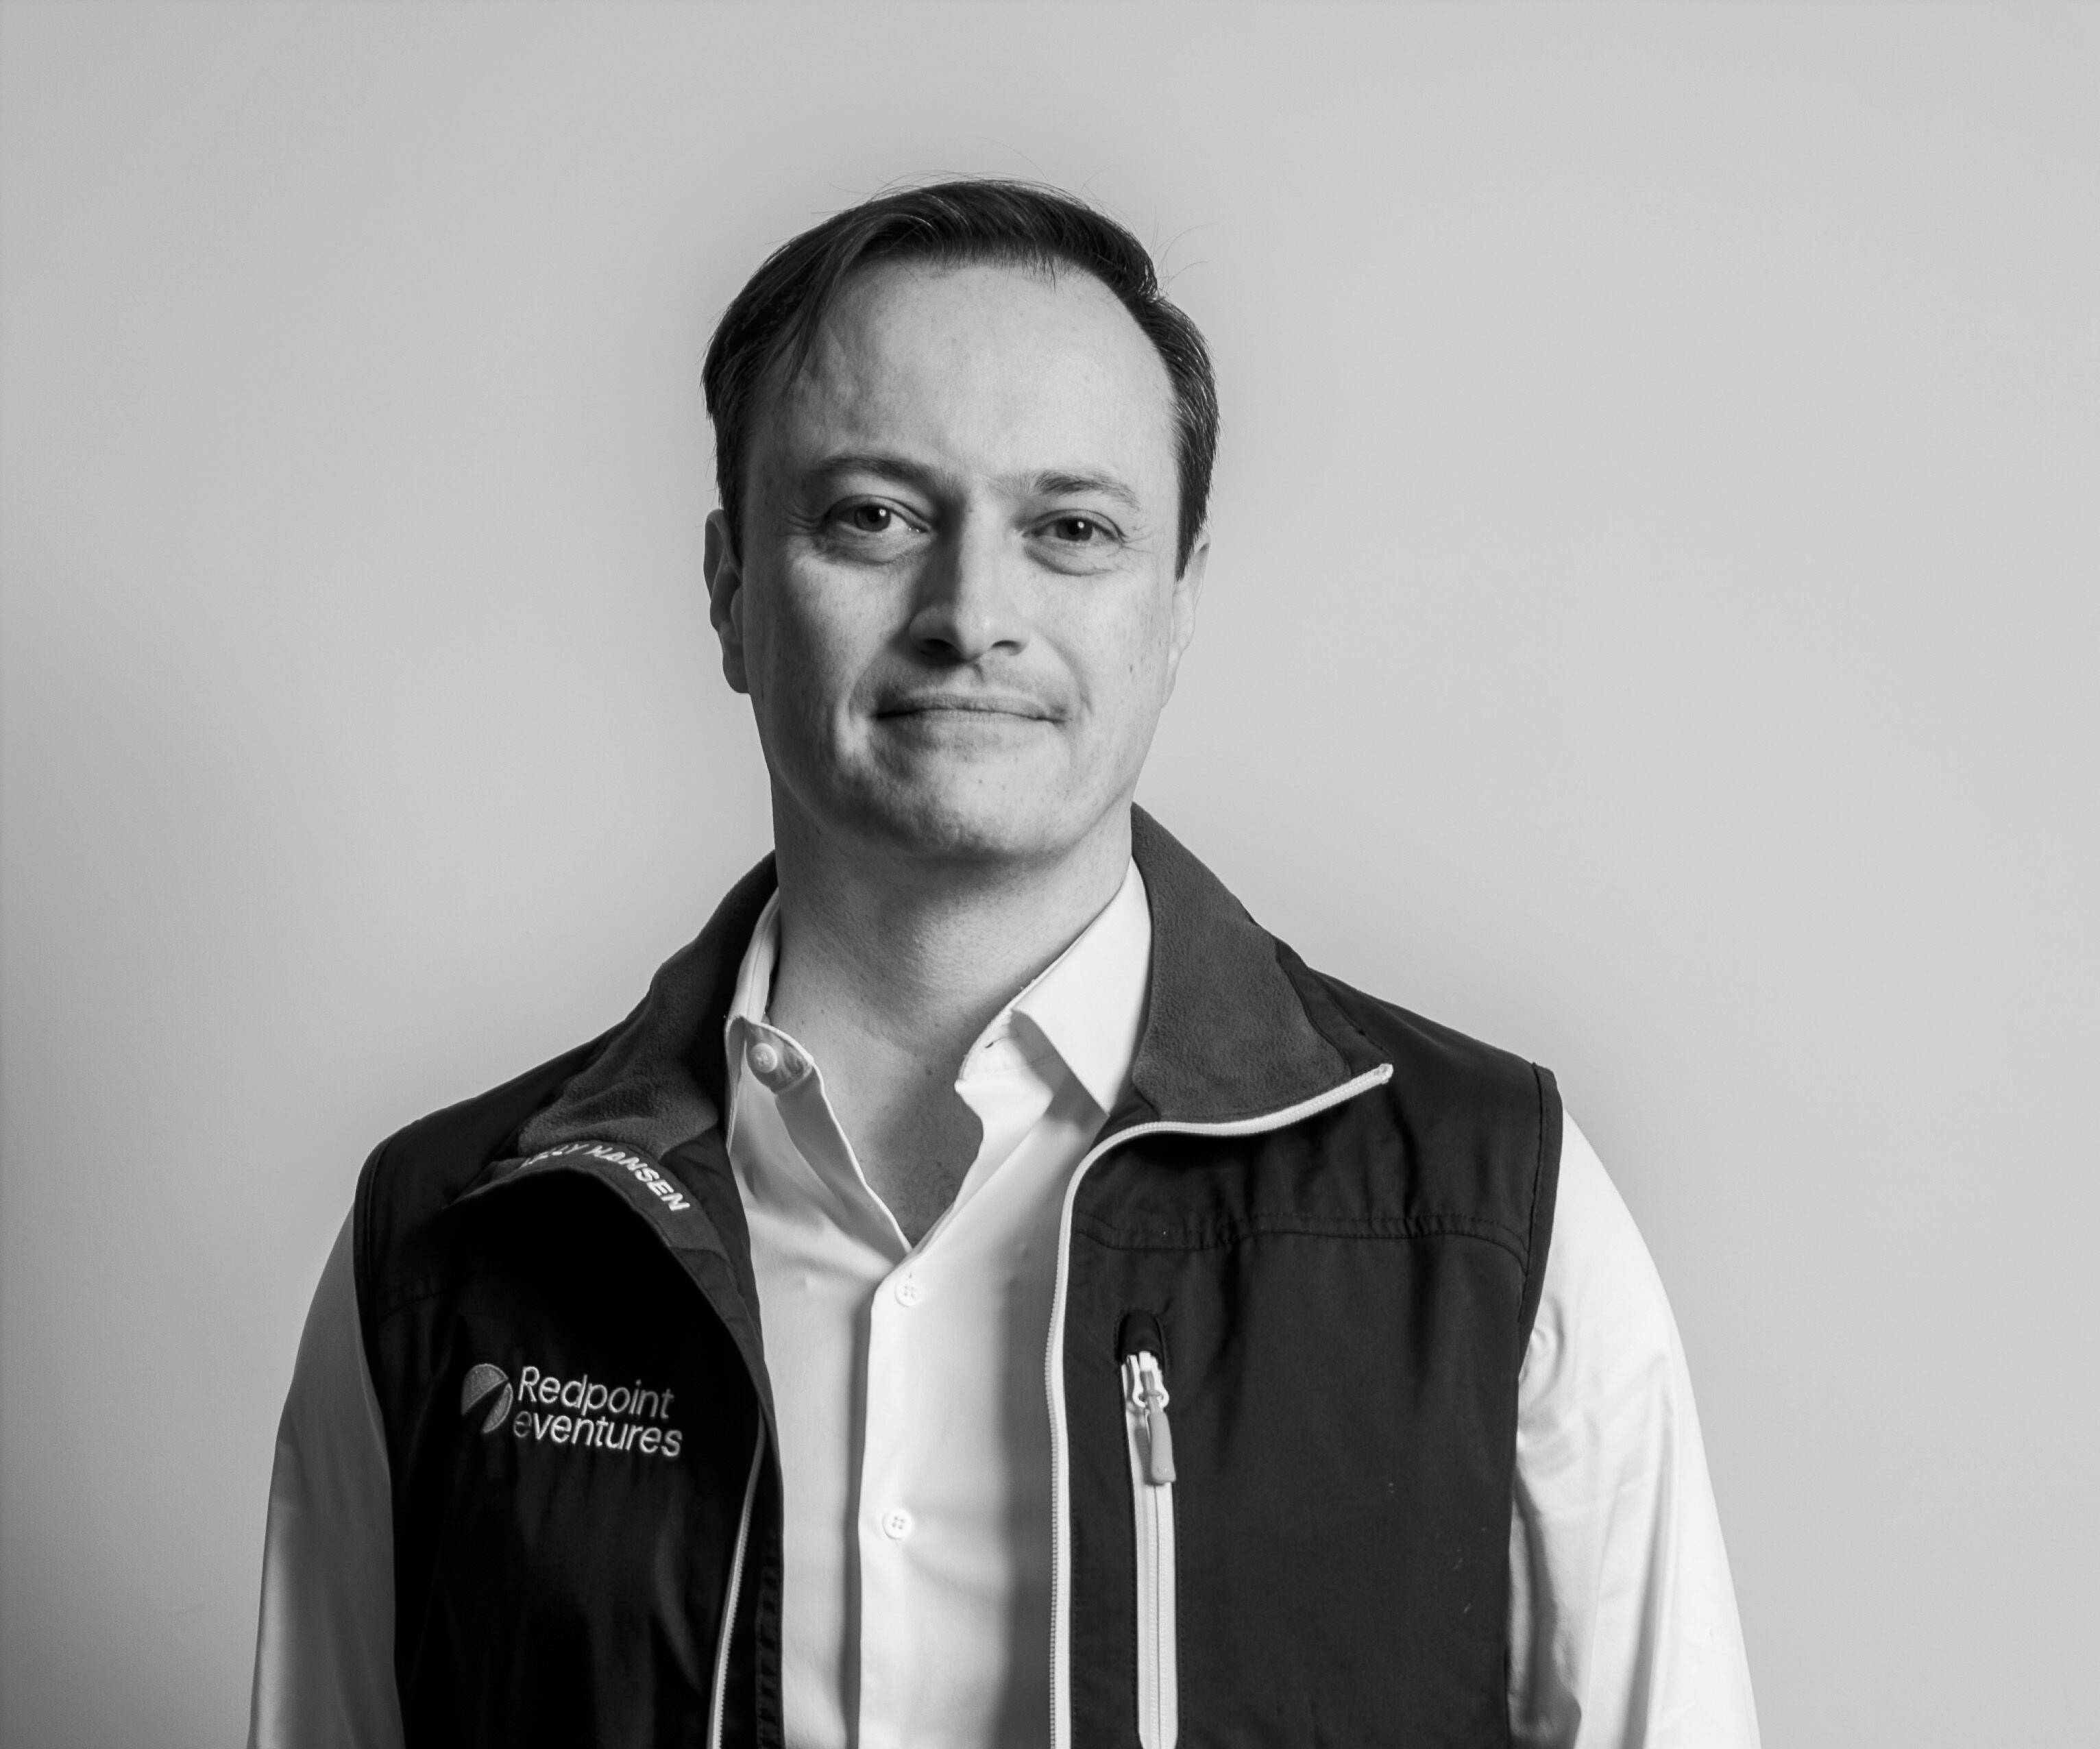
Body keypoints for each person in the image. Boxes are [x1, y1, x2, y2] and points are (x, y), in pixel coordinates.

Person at [248, 179, 1759, 1749]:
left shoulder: (1491, 1213)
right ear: (728, 590)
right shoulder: (447, 1247)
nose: (971, 613)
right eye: (872, 516)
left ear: (1175, 603)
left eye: (1071, 530)